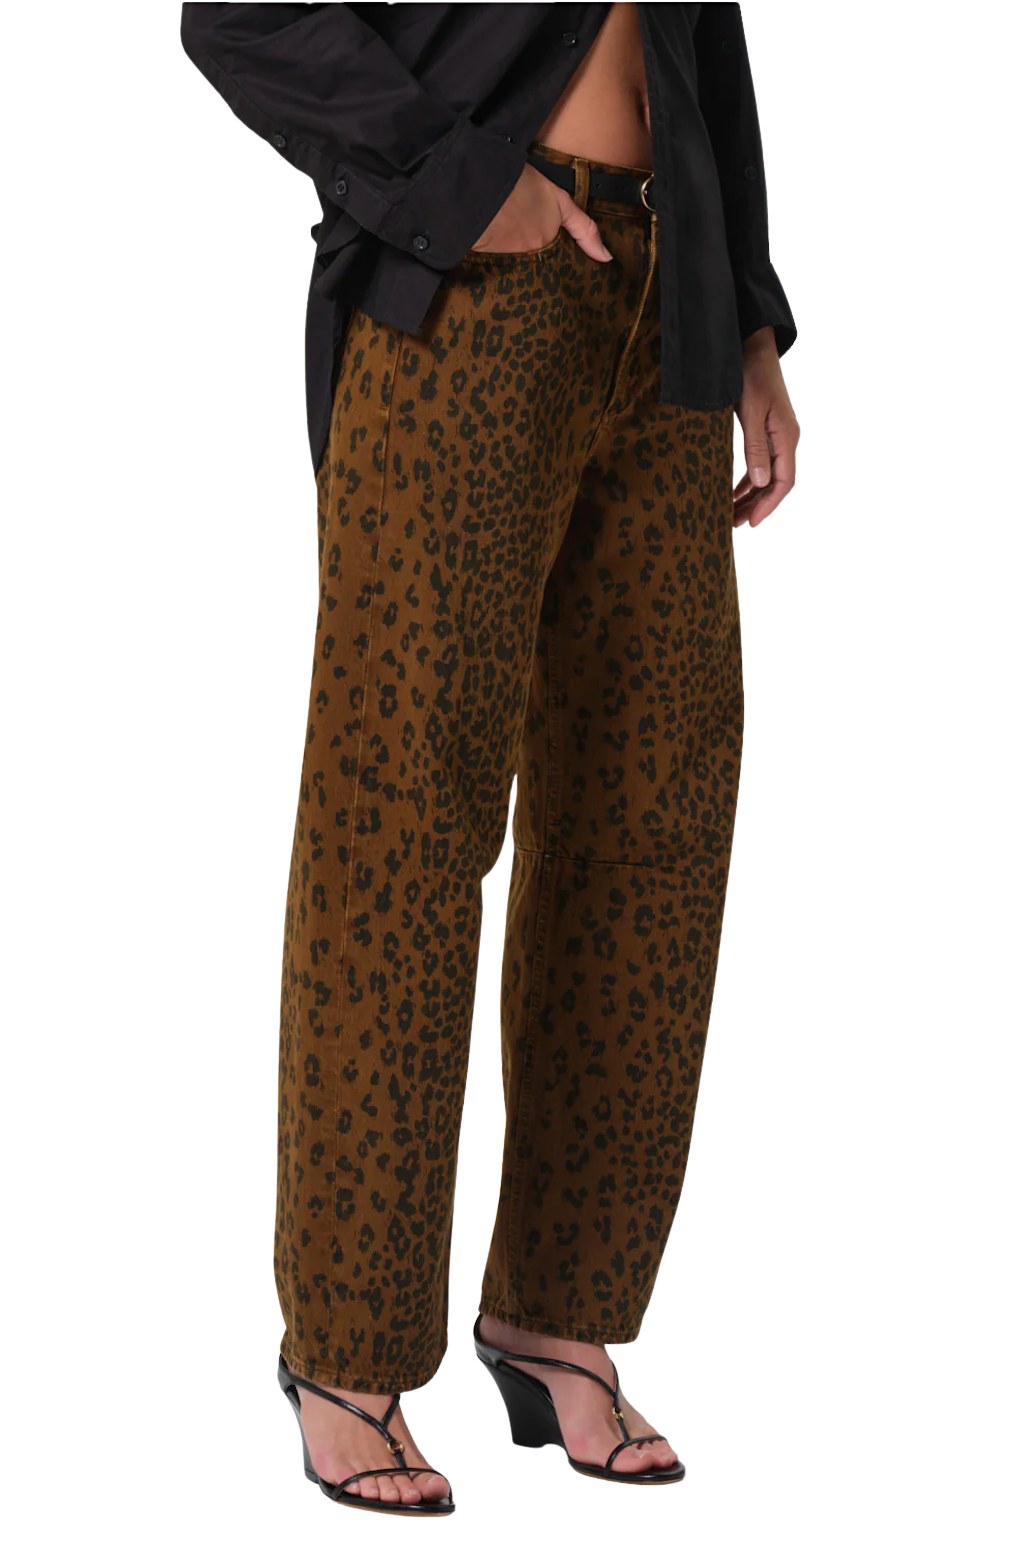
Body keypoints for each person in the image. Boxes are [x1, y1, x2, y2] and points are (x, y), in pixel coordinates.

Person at [180, 1, 799, 1515]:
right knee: (402, 818)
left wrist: (751, 317)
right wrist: (462, 182)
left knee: (652, 823)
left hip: (674, 295)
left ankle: (558, 1316)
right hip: (467, 282)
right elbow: (237, 13)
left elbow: (706, 43)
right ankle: (347, 1354)